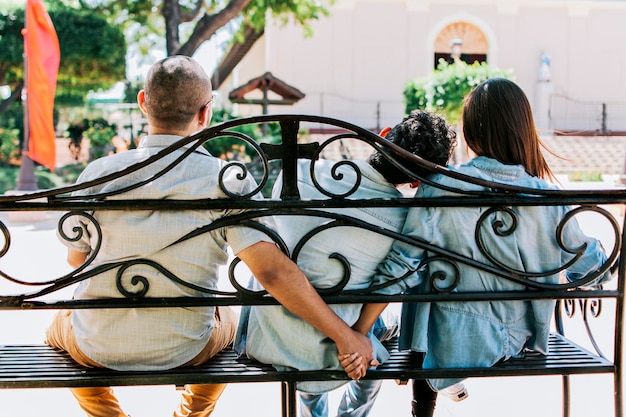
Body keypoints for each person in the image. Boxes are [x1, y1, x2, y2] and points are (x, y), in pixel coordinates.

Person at [44, 55, 375, 417]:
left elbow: (77, 261)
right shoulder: (226, 179)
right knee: (231, 328)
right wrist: (347, 336)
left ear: (142, 102)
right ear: (205, 113)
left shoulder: (98, 173)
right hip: (187, 348)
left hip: (98, 348)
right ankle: (190, 415)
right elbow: (273, 274)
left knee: (57, 328)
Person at [365, 78, 614, 417]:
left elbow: (404, 265)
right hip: (514, 340)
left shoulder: (439, 188)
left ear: (469, 133)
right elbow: (592, 265)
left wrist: (358, 331)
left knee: (428, 282)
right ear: (523, 130)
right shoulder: (547, 198)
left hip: (440, 343)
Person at [235, 109, 456, 417]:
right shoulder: (404, 221)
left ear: (383, 135)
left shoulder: (297, 173)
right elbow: (391, 282)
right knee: (383, 324)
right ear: (418, 183)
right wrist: (358, 336)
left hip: (269, 335)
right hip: (335, 345)